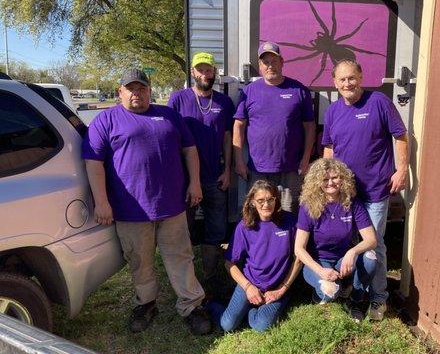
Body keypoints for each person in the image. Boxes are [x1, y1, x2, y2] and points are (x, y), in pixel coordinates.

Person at [82, 68, 211, 335]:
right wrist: (101, 202)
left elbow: (190, 150)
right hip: (131, 210)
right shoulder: (105, 121)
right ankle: (146, 304)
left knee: (181, 257)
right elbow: (93, 163)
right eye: (130, 88)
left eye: (141, 88)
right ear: (120, 92)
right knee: (140, 261)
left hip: (173, 206)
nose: (136, 93)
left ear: (149, 90)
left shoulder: (169, 115)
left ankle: (192, 306)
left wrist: (195, 182)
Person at [322, 59, 408, 321]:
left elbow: (401, 135)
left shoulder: (379, 102)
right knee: (349, 242)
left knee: (375, 244)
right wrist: (328, 181)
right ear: (334, 82)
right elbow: (329, 148)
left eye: (352, 78)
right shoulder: (333, 111)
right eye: (342, 79)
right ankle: (355, 288)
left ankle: (379, 297)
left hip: (374, 191)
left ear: (361, 76)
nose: (347, 83)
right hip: (345, 193)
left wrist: (401, 169)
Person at [168, 52, 235, 292]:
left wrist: (228, 170)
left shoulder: (224, 102)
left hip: (215, 177)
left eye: (209, 69)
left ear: (215, 72)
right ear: (193, 72)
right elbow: (170, 138)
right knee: (183, 229)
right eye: (201, 69)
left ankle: (209, 276)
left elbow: (228, 138)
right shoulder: (178, 99)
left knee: (216, 228)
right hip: (185, 181)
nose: (205, 74)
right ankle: (186, 280)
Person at [233, 41, 316, 214]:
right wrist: (239, 161)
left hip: (291, 168)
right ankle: (260, 242)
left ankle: (287, 242)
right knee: (258, 213)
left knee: (288, 213)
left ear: (282, 62)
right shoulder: (249, 91)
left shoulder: (299, 90)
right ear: (260, 65)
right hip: (257, 169)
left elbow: (309, 127)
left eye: (274, 61)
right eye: (265, 62)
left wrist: (306, 158)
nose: (270, 66)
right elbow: (239, 125)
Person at [208, 180, 301, 332]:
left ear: (276, 199)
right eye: (261, 200)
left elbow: (298, 259)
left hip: (277, 287)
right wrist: (248, 287)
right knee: (227, 325)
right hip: (250, 283)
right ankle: (211, 304)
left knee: (261, 326)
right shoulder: (244, 226)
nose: (266, 205)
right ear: (252, 202)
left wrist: (281, 289)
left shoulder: (289, 221)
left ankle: (249, 310)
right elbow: (229, 263)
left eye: (270, 199)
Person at [294, 158, 377, 321]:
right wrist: (321, 271)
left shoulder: (352, 202)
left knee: (371, 258)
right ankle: (322, 294)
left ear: (343, 179)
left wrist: (352, 252)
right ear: (317, 182)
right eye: (325, 179)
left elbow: (371, 240)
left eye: (335, 178)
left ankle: (354, 301)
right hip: (319, 262)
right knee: (330, 291)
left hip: (343, 260)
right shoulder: (308, 205)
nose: (330, 183)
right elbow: (299, 249)